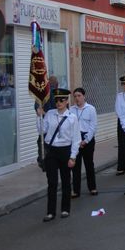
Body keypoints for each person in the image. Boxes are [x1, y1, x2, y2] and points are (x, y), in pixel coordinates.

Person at [39, 88, 80, 222]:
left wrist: (73, 157)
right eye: (56, 100)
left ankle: (65, 209)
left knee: (66, 181)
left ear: (67, 101)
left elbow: (76, 139)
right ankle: (50, 212)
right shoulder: (50, 114)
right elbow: (42, 130)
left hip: (65, 150)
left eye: (61, 100)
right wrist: (39, 116)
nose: (59, 103)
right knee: (52, 182)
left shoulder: (72, 117)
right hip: (51, 151)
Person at [70, 88, 98, 197]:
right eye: (75, 96)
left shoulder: (90, 109)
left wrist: (86, 140)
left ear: (84, 96)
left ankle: (92, 187)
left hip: (87, 138)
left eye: (79, 95)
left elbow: (93, 126)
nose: (77, 98)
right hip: (75, 139)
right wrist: (76, 141)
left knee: (89, 164)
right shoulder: (71, 110)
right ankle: (76, 190)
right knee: (75, 166)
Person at [35, 76, 59, 170]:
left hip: (44, 123)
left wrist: (43, 114)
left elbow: (37, 109)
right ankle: (48, 162)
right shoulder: (56, 94)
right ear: (57, 84)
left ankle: (43, 162)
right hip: (54, 124)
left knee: (42, 142)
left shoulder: (41, 95)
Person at [114, 75, 125, 175]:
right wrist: (122, 119)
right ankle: (121, 166)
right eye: (123, 84)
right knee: (121, 144)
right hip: (121, 121)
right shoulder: (119, 95)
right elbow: (117, 108)